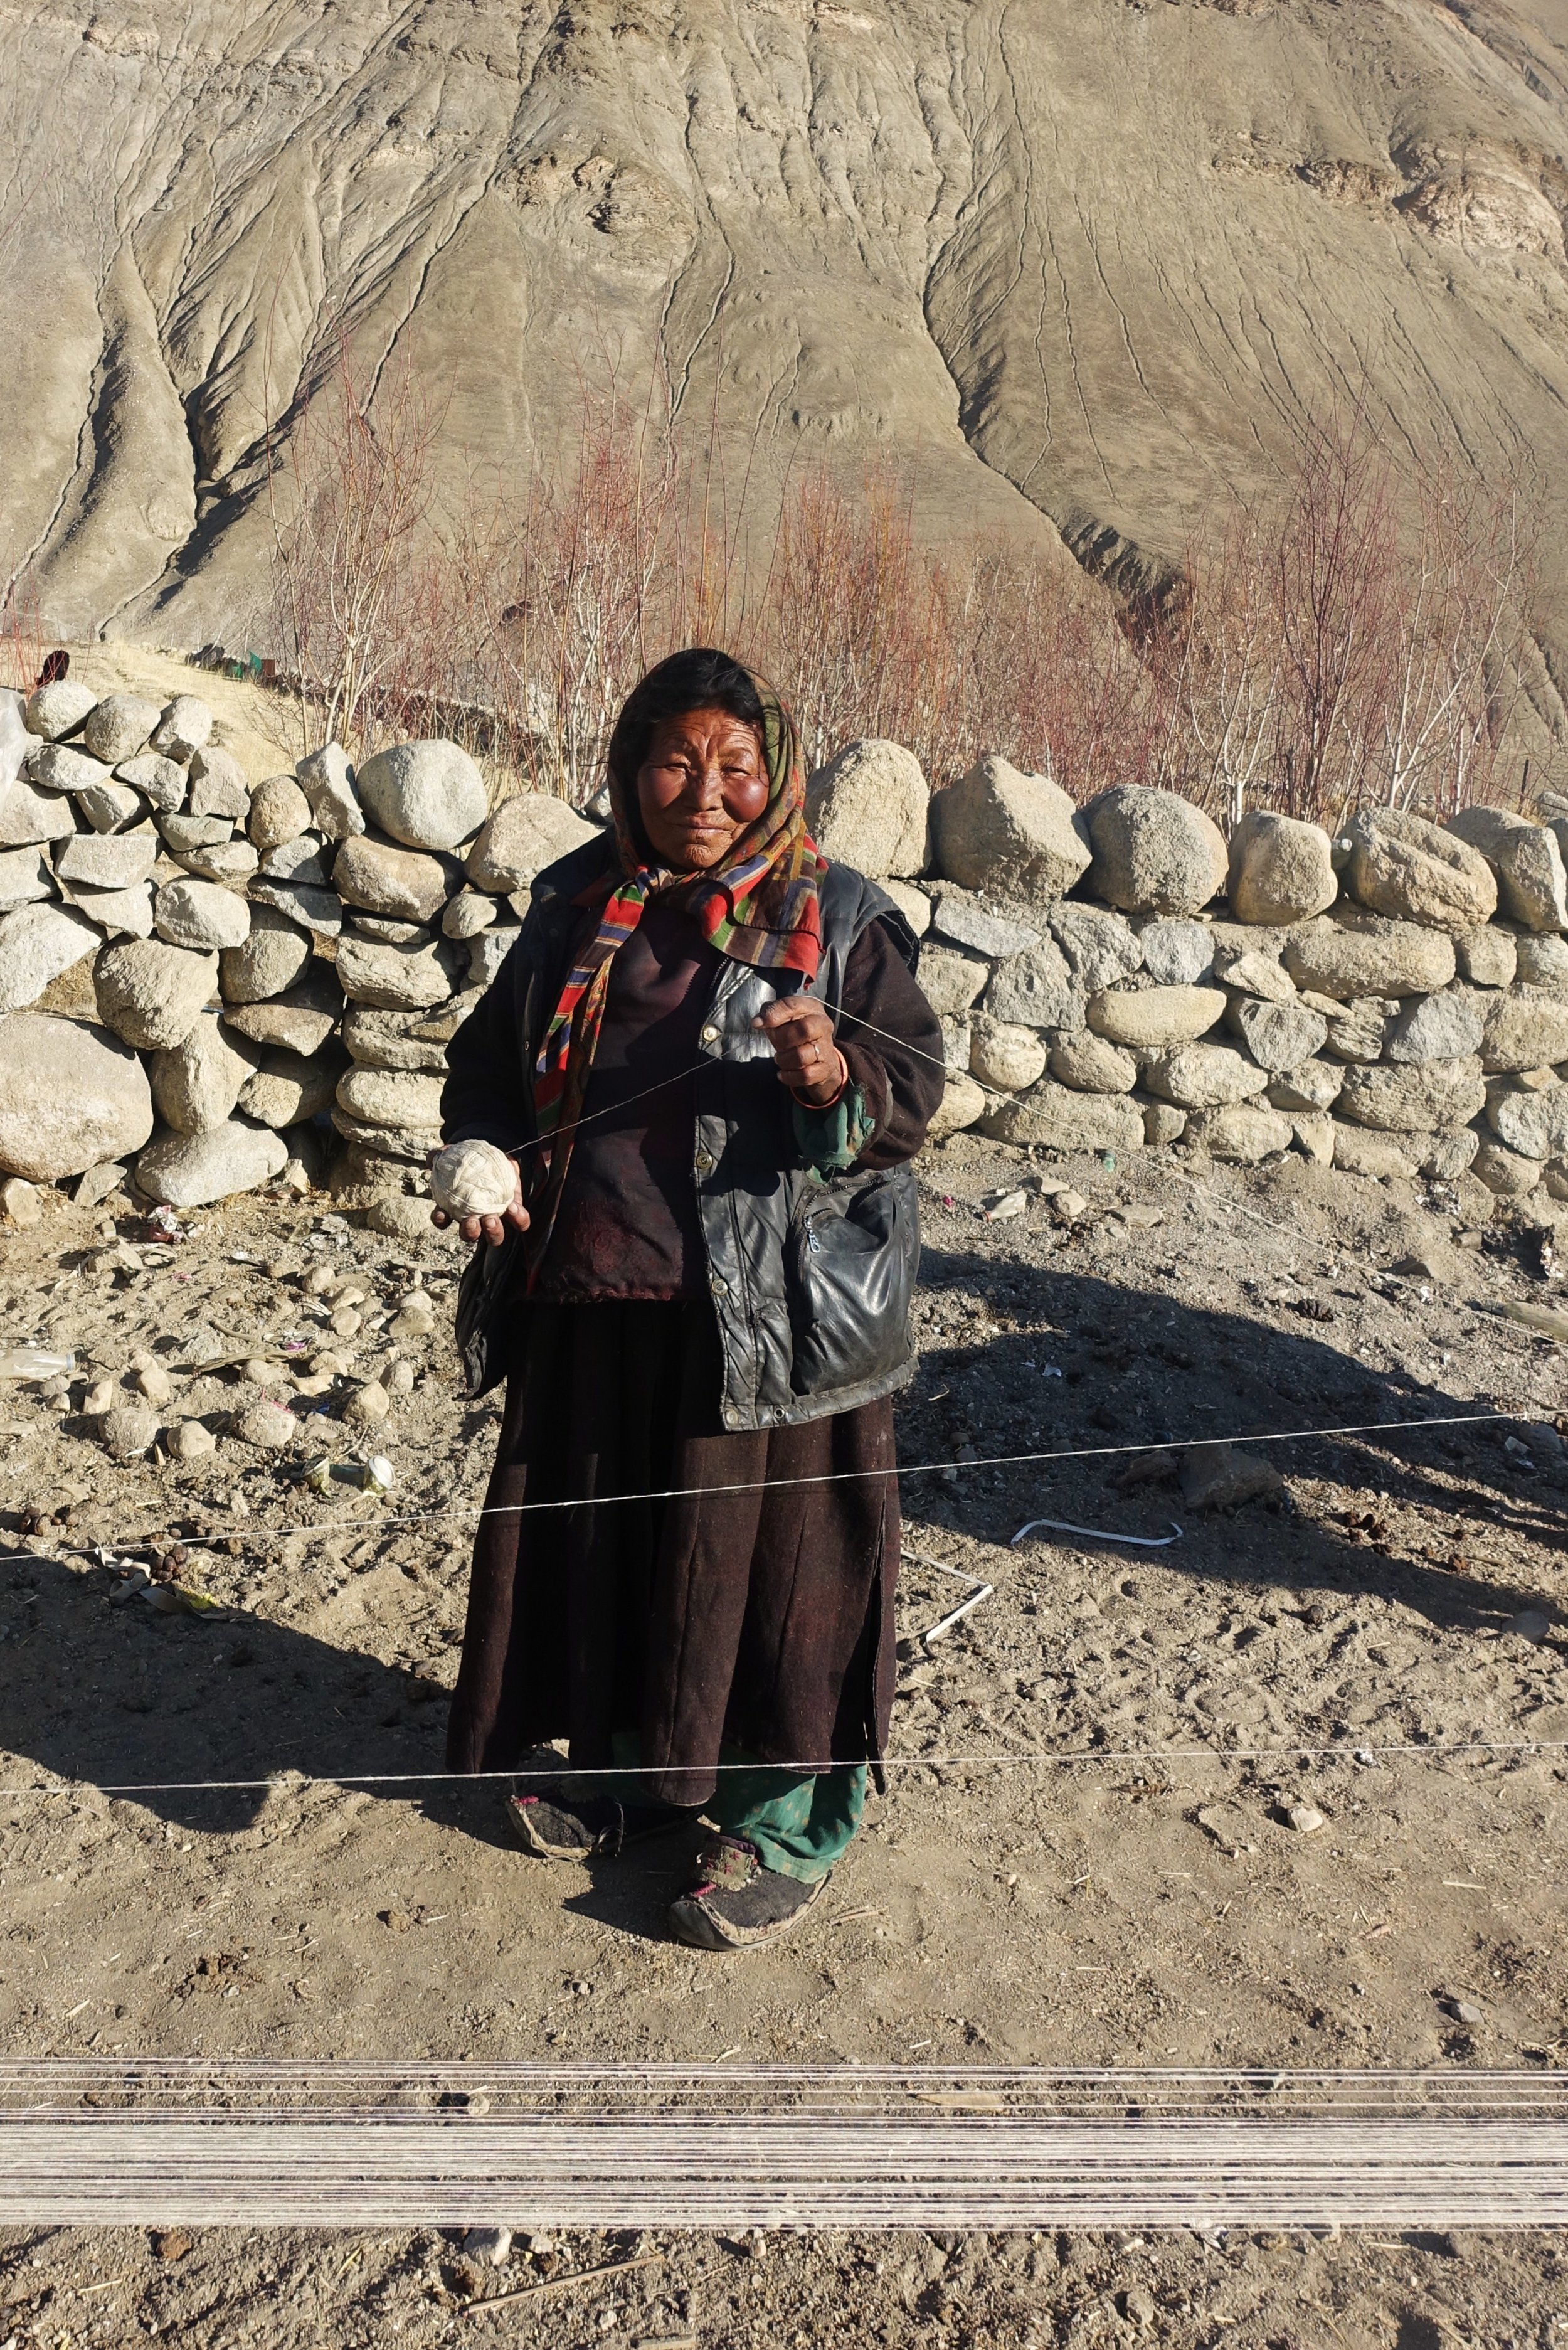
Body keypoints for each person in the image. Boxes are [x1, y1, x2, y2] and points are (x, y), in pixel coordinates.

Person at [436, 647, 943, 1950]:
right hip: (596, 1290)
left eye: (733, 764)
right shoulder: (575, 904)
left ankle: (776, 1821)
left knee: (778, 1574)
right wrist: (483, 1145)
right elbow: (490, 1060)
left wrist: (828, 1076)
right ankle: (636, 1776)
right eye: (673, 758)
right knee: (619, 1555)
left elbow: (910, 1099)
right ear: (627, 767)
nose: (703, 791)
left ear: (772, 771)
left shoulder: (839, 915)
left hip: (773, 1320)